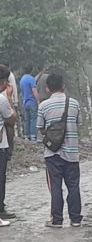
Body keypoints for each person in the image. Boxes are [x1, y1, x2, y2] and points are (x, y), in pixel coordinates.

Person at [36, 73, 83, 228]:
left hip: (52, 154)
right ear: (63, 86)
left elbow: (40, 129)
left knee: (55, 187)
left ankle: (57, 220)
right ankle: (75, 218)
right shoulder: (74, 104)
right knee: (73, 186)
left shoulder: (43, 106)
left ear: (48, 88)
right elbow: (78, 123)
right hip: (72, 152)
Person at [0, 65, 17, 226]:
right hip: (1, 145)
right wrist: (11, 99)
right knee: (0, 177)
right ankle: (0, 208)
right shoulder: (2, 99)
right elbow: (11, 118)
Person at [19, 65, 39, 141]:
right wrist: (38, 100)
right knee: (33, 119)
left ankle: (26, 135)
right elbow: (34, 90)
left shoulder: (22, 79)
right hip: (32, 102)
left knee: (26, 119)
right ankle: (33, 135)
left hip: (25, 102)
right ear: (31, 70)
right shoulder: (31, 79)